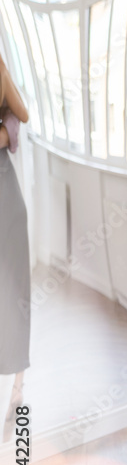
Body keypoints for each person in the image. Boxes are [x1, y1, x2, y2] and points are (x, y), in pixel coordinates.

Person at [0, 49, 30, 431]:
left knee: (14, 286)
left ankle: (18, 384)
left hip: (5, 192)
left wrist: (3, 66)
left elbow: (20, 114)